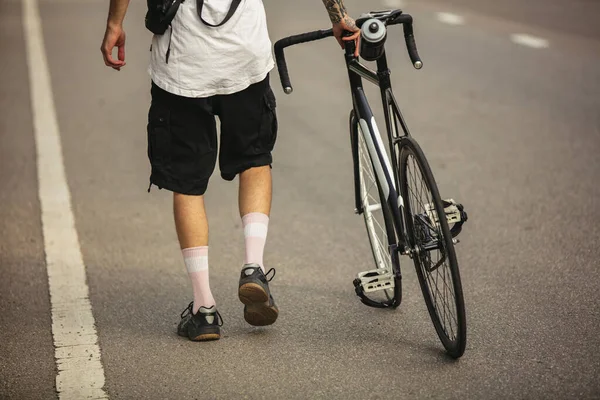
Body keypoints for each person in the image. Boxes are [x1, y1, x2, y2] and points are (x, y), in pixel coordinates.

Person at [100, 0, 360, 341]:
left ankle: (204, 309)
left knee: (188, 185)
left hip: (183, 62)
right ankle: (253, 267)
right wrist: (338, 17)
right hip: (244, 53)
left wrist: (113, 25)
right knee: (254, 162)